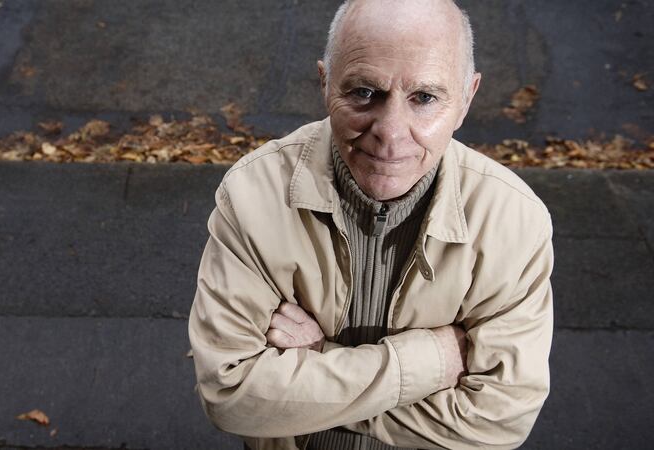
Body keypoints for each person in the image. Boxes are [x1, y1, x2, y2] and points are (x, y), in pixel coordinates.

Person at [188, 0, 554, 448]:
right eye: (364, 92)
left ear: (466, 99)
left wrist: (320, 360)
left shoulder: (514, 222)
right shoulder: (252, 195)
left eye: (424, 98)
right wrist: (431, 365)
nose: (391, 132)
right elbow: (230, 396)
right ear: (326, 84)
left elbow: (499, 422)